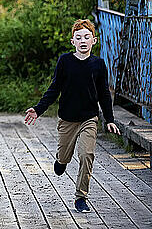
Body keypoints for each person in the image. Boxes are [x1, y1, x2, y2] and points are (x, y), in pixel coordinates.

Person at [24, 19, 121, 213]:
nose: (83, 40)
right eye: (79, 37)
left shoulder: (98, 64)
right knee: (65, 157)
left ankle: (81, 197)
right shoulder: (65, 61)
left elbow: (103, 94)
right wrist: (38, 108)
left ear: (94, 40)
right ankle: (61, 160)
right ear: (72, 41)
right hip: (67, 120)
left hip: (89, 119)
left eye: (87, 37)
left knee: (87, 155)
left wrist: (109, 119)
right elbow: (54, 88)